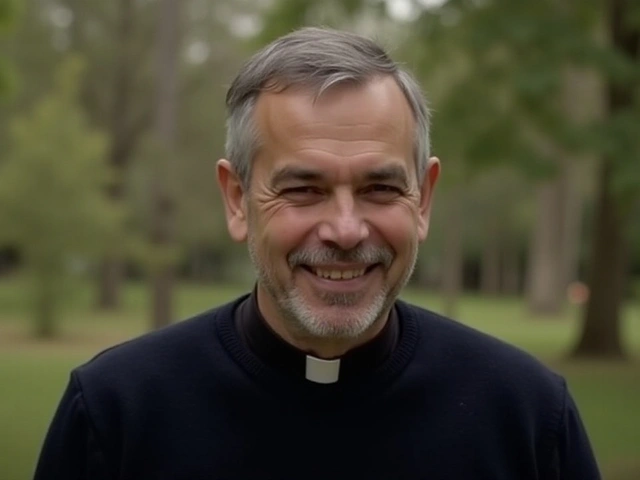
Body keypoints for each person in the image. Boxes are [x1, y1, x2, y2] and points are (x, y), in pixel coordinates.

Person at [33, 27, 601, 480]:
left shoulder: (525, 415)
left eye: (380, 188)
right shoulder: (117, 412)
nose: (347, 230)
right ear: (237, 200)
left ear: (423, 198)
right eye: (303, 189)